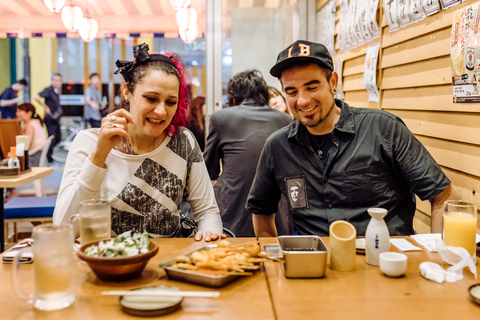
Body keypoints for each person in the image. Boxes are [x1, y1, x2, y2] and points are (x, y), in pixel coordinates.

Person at [247, 40, 456, 238]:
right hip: (315, 265)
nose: (302, 100)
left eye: (312, 87)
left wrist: (443, 260)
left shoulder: (383, 129)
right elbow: (261, 210)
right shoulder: (278, 146)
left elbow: (442, 196)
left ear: (333, 82)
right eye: (292, 92)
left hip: (384, 261)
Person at [53, 43, 225, 241]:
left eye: (170, 102)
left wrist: (210, 239)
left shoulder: (182, 141)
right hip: (108, 263)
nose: (161, 111)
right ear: (127, 91)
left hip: (168, 264)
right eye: (151, 98)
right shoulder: (90, 141)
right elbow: (63, 228)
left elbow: (206, 211)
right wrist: (99, 156)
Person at [204, 69, 293, 237]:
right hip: (276, 215)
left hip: (233, 212)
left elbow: (210, 170)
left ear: (234, 97)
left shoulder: (220, 118)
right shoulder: (286, 120)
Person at [35, 73, 63, 164]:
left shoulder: (57, 91)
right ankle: (49, 158)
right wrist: (45, 107)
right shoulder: (49, 90)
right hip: (50, 119)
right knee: (52, 138)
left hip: (56, 119)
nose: (57, 82)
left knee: (58, 138)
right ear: (51, 81)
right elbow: (36, 97)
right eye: (55, 80)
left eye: (59, 80)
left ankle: (47, 153)